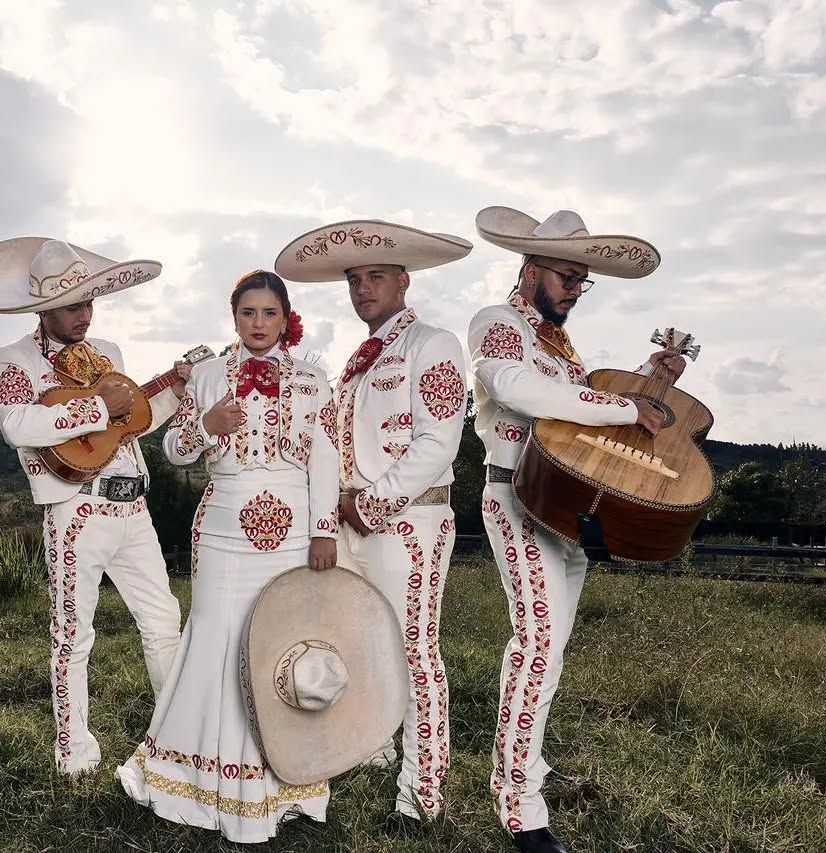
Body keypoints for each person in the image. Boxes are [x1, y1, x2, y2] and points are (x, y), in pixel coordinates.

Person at [468, 206, 685, 853]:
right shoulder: (498, 323)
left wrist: (652, 384)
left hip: (566, 513)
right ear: (530, 269)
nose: (575, 290)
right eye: (567, 276)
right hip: (514, 495)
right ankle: (518, 804)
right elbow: (518, 389)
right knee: (536, 645)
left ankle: (527, 764)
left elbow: (587, 423)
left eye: (582, 281)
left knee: (549, 651)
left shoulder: (564, 350)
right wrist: (624, 401)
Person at [118, 270, 338, 843]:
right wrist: (207, 427)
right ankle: (194, 778)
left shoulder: (314, 381)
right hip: (222, 528)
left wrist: (323, 531)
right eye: (248, 313)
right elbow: (172, 451)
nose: (258, 324)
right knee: (215, 635)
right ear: (233, 316)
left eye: (269, 313)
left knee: (277, 641)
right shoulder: (211, 373)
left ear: (286, 318)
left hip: (291, 530)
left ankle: (281, 783)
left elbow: (325, 459)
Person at [274, 220, 472, 831]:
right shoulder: (356, 364)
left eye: (376, 277)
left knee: (413, 651)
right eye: (355, 280)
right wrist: (330, 515)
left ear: (403, 282)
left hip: (409, 521)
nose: (363, 289)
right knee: (357, 644)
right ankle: (373, 748)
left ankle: (422, 794)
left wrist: (372, 502)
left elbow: (439, 441)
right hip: (353, 524)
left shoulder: (433, 345)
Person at [0, 237, 183, 776]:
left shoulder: (109, 351)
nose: (84, 315)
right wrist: (93, 407)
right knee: (73, 635)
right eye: (71, 306)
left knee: (164, 619)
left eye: (89, 303)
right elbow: (18, 425)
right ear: (42, 309)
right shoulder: (12, 359)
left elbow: (133, 421)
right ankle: (75, 756)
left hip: (133, 509)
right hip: (74, 510)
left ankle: (177, 739)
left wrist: (174, 388)